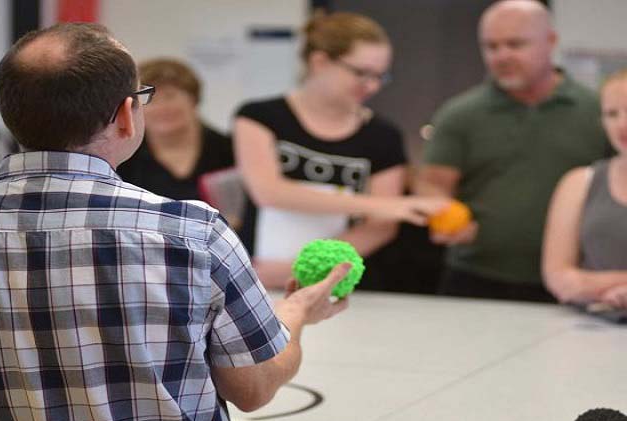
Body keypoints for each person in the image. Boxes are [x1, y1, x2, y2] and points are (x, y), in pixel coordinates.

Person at [0, 23, 351, 421]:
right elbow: (255, 386)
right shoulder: (192, 233)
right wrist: (297, 313)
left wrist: (20, 392)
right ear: (123, 114)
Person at [415, 0, 612, 302]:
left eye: (515, 44)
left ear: (551, 41)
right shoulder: (460, 114)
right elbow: (432, 183)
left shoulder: (598, 111)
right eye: (491, 47)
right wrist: (443, 214)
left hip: (571, 280)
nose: (502, 56)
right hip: (475, 278)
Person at [234, 12, 445, 290]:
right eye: (361, 73)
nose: (371, 85)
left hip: (337, 282)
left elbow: (380, 227)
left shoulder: (383, 136)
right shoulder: (259, 117)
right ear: (319, 61)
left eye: (380, 76)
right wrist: (385, 206)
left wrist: (305, 270)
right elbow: (269, 192)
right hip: (257, 275)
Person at [543, 69, 627, 308]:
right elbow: (560, 279)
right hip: (590, 330)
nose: (622, 124)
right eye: (612, 114)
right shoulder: (580, 182)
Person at [117, 58, 233, 202]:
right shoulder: (122, 157)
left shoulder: (232, 151)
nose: (162, 108)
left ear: (193, 99)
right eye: (150, 100)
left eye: (170, 96)